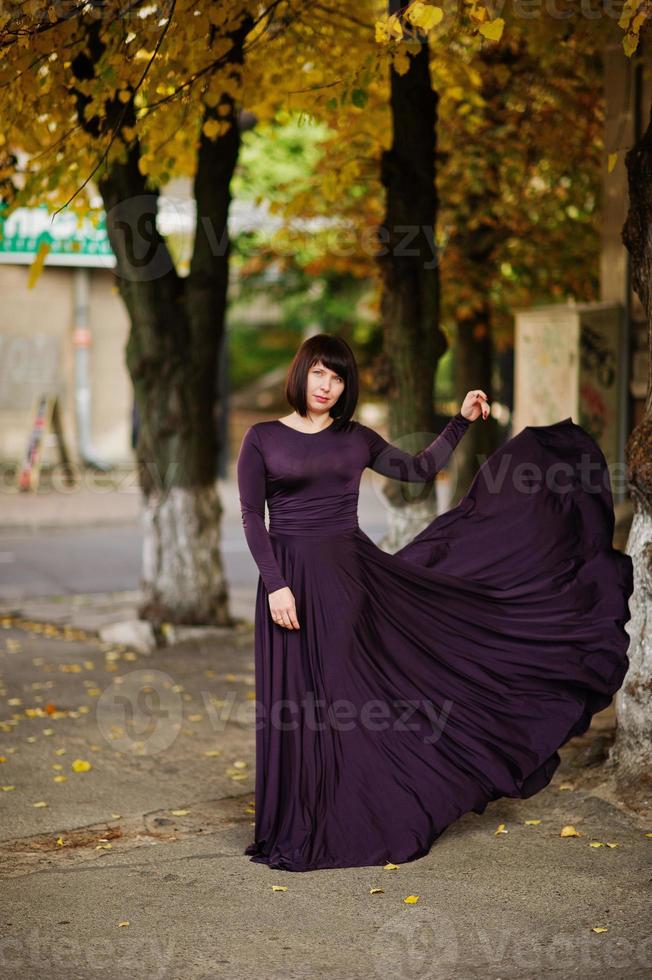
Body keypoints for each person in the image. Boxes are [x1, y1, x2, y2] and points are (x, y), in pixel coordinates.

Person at [236, 333, 633, 872]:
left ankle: (349, 818)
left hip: (349, 581)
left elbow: (419, 470)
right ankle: (293, 822)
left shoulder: (356, 438)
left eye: (338, 376)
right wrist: (276, 583)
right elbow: (250, 518)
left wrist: (461, 420)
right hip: (285, 582)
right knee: (294, 704)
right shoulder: (261, 438)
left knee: (341, 698)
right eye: (319, 374)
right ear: (301, 374)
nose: (328, 385)